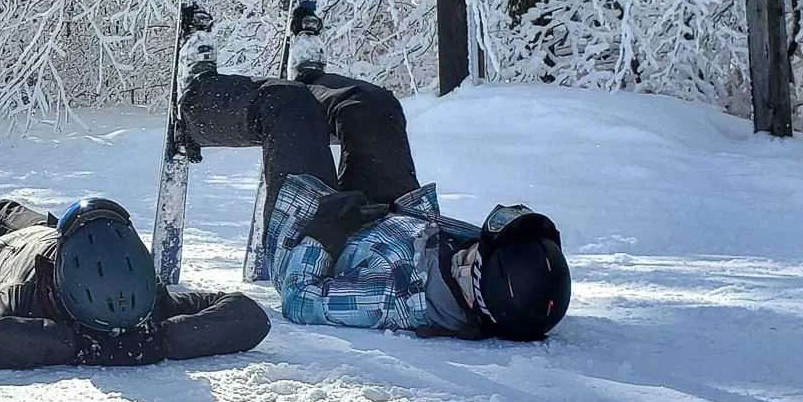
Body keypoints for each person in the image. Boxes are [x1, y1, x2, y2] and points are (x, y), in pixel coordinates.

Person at [181, 64, 570, 341]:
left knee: (286, 105)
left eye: (474, 254)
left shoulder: (391, 298)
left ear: (473, 287)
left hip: (311, 233)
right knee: (373, 105)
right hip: (385, 214)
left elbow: (300, 298)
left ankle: (193, 107)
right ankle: (311, 85)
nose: (470, 246)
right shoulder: (476, 269)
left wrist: (324, 234)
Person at [0, 185, 271, 369]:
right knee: (0, 212)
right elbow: (246, 315)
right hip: (50, 233)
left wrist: (77, 345)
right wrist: (158, 340)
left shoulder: (21, 295)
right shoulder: (151, 302)